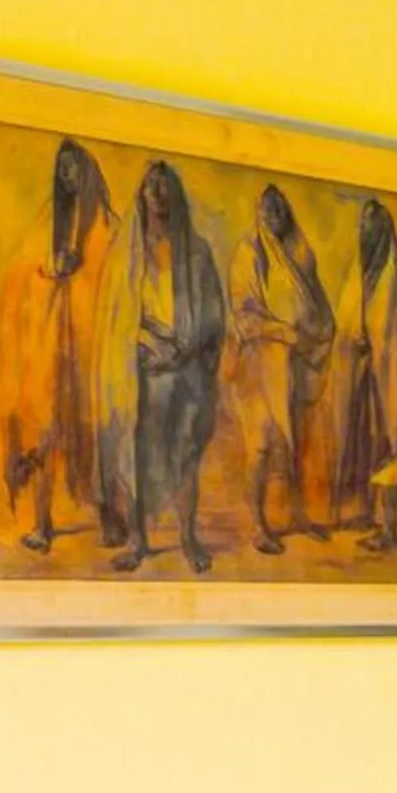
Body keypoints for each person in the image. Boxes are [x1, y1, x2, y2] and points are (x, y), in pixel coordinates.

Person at [93, 159, 227, 573]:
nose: (158, 192)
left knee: (186, 455)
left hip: (186, 373)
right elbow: (116, 318)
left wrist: (185, 349)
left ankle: (188, 538)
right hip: (141, 375)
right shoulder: (124, 252)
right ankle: (138, 541)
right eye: (151, 184)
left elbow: (213, 316)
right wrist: (147, 341)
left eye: (165, 184)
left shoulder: (197, 251)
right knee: (137, 457)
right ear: (141, 194)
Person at [0, 139, 116, 554]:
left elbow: (116, 290)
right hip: (49, 350)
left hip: (90, 351)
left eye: (73, 168)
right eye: (62, 170)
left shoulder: (108, 227)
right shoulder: (48, 223)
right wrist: (49, 272)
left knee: (95, 431)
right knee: (44, 431)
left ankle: (108, 518)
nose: (67, 177)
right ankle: (42, 523)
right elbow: (20, 275)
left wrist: (79, 277)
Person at [227, 184, 333, 555]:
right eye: (267, 209)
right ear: (258, 213)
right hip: (258, 368)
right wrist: (286, 334)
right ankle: (258, 525)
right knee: (260, 447)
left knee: (295, 444)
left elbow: (319, 306)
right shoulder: (248, 251)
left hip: (296, 367)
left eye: (279, 209)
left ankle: (297, 516)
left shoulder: (300, 254)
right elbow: (244, 316)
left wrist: (317, 336)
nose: (274, 215)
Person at [332, 197, 397, 553]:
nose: (367, 231)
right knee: (368, 443)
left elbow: (390, 335)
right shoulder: (359, 277)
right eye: (364, 224)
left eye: (374, 225)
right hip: (363, 378)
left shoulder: (390, 279)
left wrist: (373, 351)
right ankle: (370, 516)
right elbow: (348, 324)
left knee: (389, 445)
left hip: (388, 378)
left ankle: (389, 529)